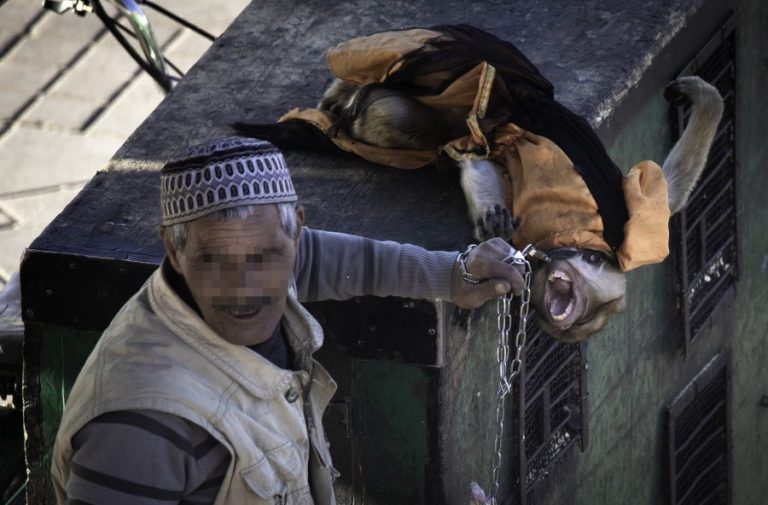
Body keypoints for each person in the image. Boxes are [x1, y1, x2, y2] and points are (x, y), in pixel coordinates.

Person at [51, 137, 525, 505]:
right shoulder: (140, 428)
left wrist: (451, 275)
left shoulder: (278, 257)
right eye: (215, 261)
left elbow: (333, 259)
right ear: (173, 249)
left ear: (295, 229)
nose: (245, 290)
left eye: (268, 256)